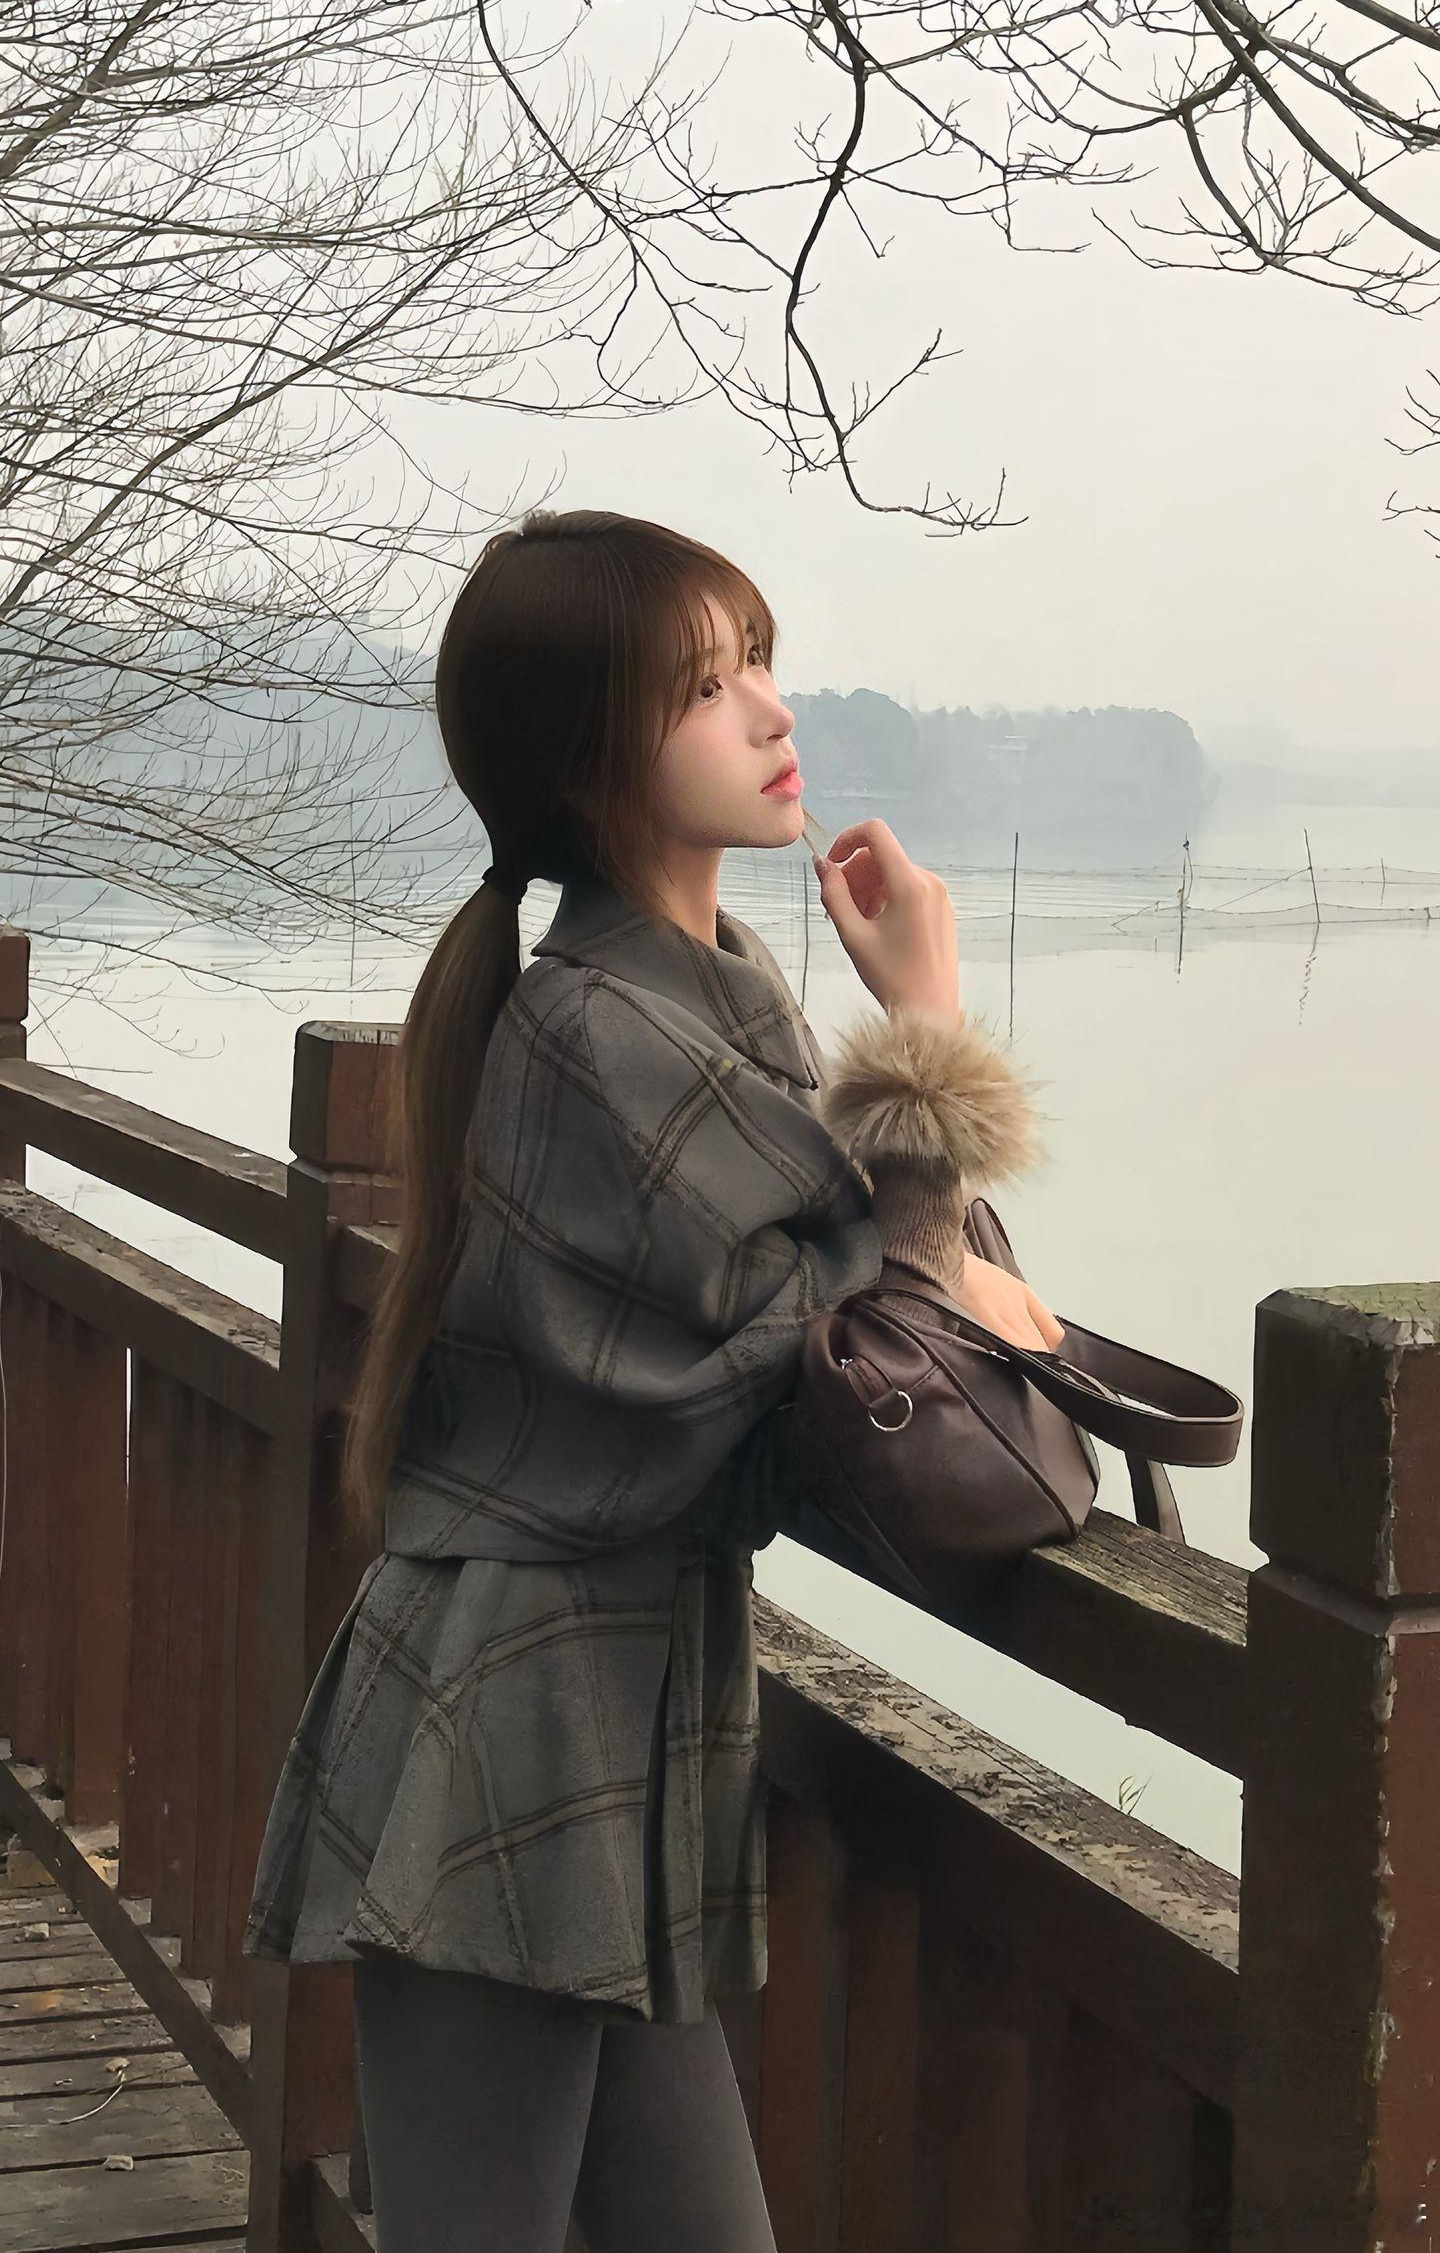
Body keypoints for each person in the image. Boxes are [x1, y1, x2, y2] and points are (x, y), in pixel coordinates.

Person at [241, 507, 1060, 2250]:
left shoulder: (725, 994)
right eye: (704, 685)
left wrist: (909, 1162)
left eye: (757, 660)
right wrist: (927, 1027)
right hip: (520, 1705)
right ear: (588, 755)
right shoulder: (591, 1032)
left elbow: (873, 1292)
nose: (771, 710)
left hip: (633, 1698)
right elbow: (850, 1349)